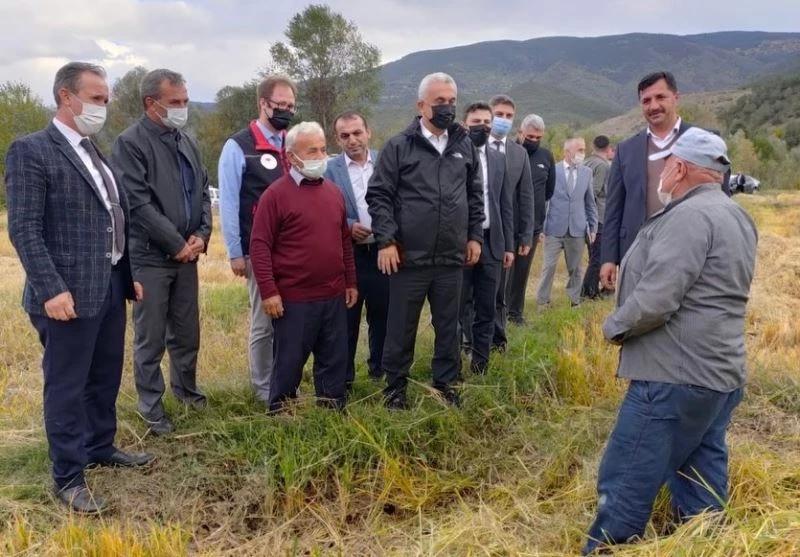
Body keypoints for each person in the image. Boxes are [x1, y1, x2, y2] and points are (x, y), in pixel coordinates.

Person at [583, 128, 757, 555]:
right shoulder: (734, 214)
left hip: (672, 378)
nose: (661, 175)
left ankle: (607, 548)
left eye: (665, 166)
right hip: (719, 376)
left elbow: (658, 298)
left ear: (679, 167)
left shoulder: (689, 217)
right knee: (700, 484)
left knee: (626, 481)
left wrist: (614, 326)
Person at [6, 62, 153, 514]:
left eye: (106, 99)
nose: (103, 107)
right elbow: (25, 228)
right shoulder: (32, 150)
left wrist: (126, 274)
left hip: (108, 285)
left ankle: (99, 446)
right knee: (67, 386)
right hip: (65, 294)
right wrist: (51, 288)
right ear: (66, 97)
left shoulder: (93, 150)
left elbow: (112, 217)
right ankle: (68, 476)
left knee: (105, 375)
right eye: (96, 98)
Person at [366, 72, 484, 410]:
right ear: (421, 105)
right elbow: (379, 195)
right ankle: (395, 389)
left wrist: (474, 236)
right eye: (439, 102)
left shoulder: (463, 145)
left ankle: (446, 384)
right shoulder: (399, 146)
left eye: (452, 101)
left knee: (449, 327)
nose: (447, 107)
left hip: (451, 257)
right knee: (401, 327)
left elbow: (474, 194)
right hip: (409, 258)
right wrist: (386, 241)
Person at [112, 69, 212, 435]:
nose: (182, 108)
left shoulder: (186, 140)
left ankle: (187, 394)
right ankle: (151, 408)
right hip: (150, 258)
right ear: (150, 103)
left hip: (188, 257)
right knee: (150, 337)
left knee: (187, 333)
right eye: (175, 102)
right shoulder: (130, 144)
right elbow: (137, 204)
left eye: (185, 101)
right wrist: (175, 244)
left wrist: (202, 234)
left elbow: (203, 191)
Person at [249, 122, 358, 412]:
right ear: (291, 157)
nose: (320, 156)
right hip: (294, 299)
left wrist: (350, 281)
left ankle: (332, 409)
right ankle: (282, 411)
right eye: (312, 151)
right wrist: (269, 291)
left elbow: (343, 241)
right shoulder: (275, 195)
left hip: (333, 295)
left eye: (323, 149)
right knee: (289, 361)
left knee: (334, 359)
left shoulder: (334, 192)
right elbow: (259, 246)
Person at [600, 71, 730, 292]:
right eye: (646, 101)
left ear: (676, 98)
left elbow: (722, 200)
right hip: (638, 251)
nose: (653, 106)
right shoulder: (626, 149)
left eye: (660, 97)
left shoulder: (706, 141)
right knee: (638, 309)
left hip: (692, 249)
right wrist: (608, 258)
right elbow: (614, 207)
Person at [218, 75, 296, 405]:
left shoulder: (292, 143)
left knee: (290, 320)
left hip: (293, 251)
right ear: (263, 103)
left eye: (291, 106)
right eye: (281, 105)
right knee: (264, 322)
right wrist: (236, 252)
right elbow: (229, 201)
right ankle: (264, 389)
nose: (286, 111)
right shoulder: (238, 146)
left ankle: (286, 382)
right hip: (257, 250)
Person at [323, 111, 388, 387]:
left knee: (383, 317)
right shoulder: (329, 170)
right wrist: (348, 225)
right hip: (348, 257)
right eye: (345, 135)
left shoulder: (386, 162)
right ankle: (343, 380)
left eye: (357, 133)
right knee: (346, 321)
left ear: (368, 132)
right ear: (337, 139)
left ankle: (379, 372)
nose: (352, 140)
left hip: (384, 253)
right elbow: (323, 210)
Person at [458, 102, 515, 374]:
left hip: (492, 242)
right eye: (476, 122)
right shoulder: (454, 155)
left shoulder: (498, 158)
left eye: (486, 122)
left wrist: (508, 245)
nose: (482, 126)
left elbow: (505, 204)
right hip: (461, 242)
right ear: (465, 124)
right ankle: (454, 360)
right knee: (458, 306)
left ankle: (481, 364)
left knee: (487, 306)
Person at [485, 94, 534, 349]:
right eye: (499, 114)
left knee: (500, 291)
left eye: (508, 116)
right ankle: (469, 341)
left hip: (506, 234)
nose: (503, 119)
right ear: (489, 115)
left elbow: (526, 196)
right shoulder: (473, 146)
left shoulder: (519, 154)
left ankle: (498, 340)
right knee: (471, 293)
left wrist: (525, 235)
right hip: (476, 231)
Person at [506, 114, 557, 323]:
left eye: (538, 137)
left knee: (522, 271)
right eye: (530, 137)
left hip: (532, 226)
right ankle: (497, 313)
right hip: (507, 224)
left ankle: (515, 313)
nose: (534, 141)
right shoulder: (508, 152)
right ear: (520, 132)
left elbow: (549, 191)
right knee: (504, 272)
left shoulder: (546, 157)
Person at [536, 137, 597, 307]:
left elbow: (589, 201)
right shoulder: (553, 170)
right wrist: (540, 226)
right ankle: (542, 302)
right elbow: (545, 200)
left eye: (584, 149)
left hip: (577, 228)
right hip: (553, 227)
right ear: (567, 151)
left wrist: (593, 227)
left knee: (576, 269)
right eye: (579, 150)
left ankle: (574, 301)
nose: (582, 153)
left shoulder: (587, 173)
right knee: (548, 267)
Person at [580, 135, 614, 299]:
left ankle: (590, 289)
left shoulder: (586, 162)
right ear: (608, 148)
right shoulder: (603, 166)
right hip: (598, 217)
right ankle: (588, 291)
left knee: (594, 255)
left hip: (585, 217)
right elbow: (593, 191)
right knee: (598, 257)